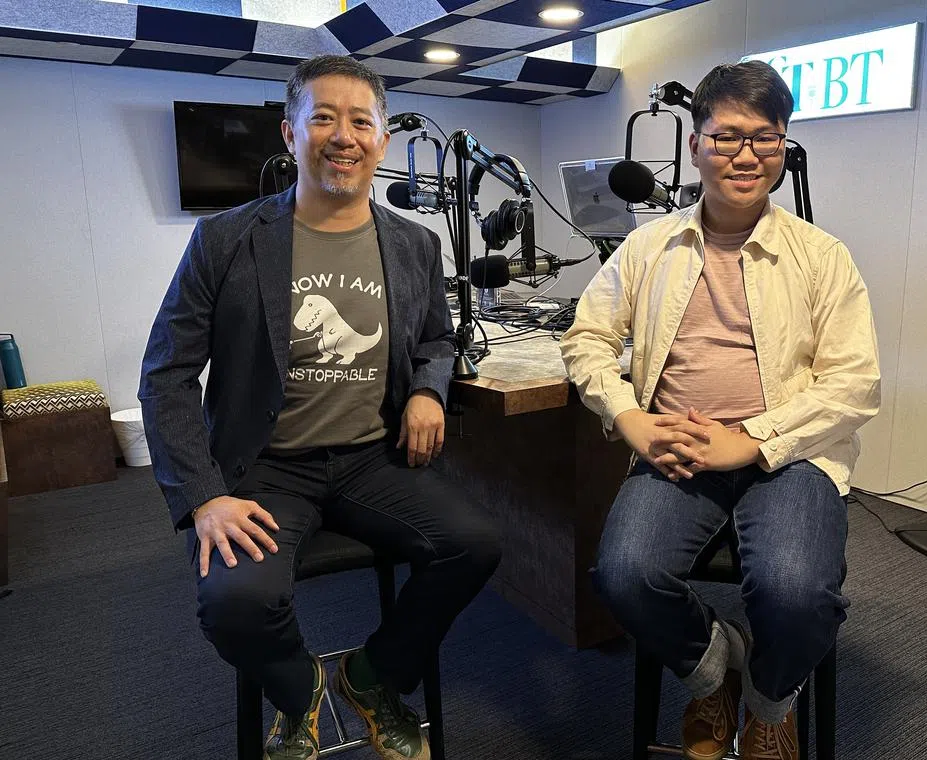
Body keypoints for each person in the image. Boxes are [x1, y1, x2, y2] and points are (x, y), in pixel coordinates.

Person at [140, 55, 501, 760]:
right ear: (289, 132)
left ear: (382, 140)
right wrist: (204, 496)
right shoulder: (225, 240)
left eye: (360, 121)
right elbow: (167, 375)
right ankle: (300, 688)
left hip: (372, 460)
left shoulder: (414, 244)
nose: (344, 135)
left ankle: (370, 678)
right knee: (235, 602)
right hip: (263, 468)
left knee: (475, 545)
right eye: (324, 118)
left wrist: (429, 388)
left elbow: (436, 336)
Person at [561, 60, 880, 760]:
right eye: (726, 136)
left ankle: (768, 705)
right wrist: (628, 417)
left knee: (798, 596)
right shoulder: (649, 247)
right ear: (697, 143)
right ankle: (715, 670)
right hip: (675, 442)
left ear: (784, 146)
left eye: (764, 138)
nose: (745, 155)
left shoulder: (822, 256)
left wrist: (756, 441)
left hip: (789, 451)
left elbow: (855, 383)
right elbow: (586, 338)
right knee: (622, 577)